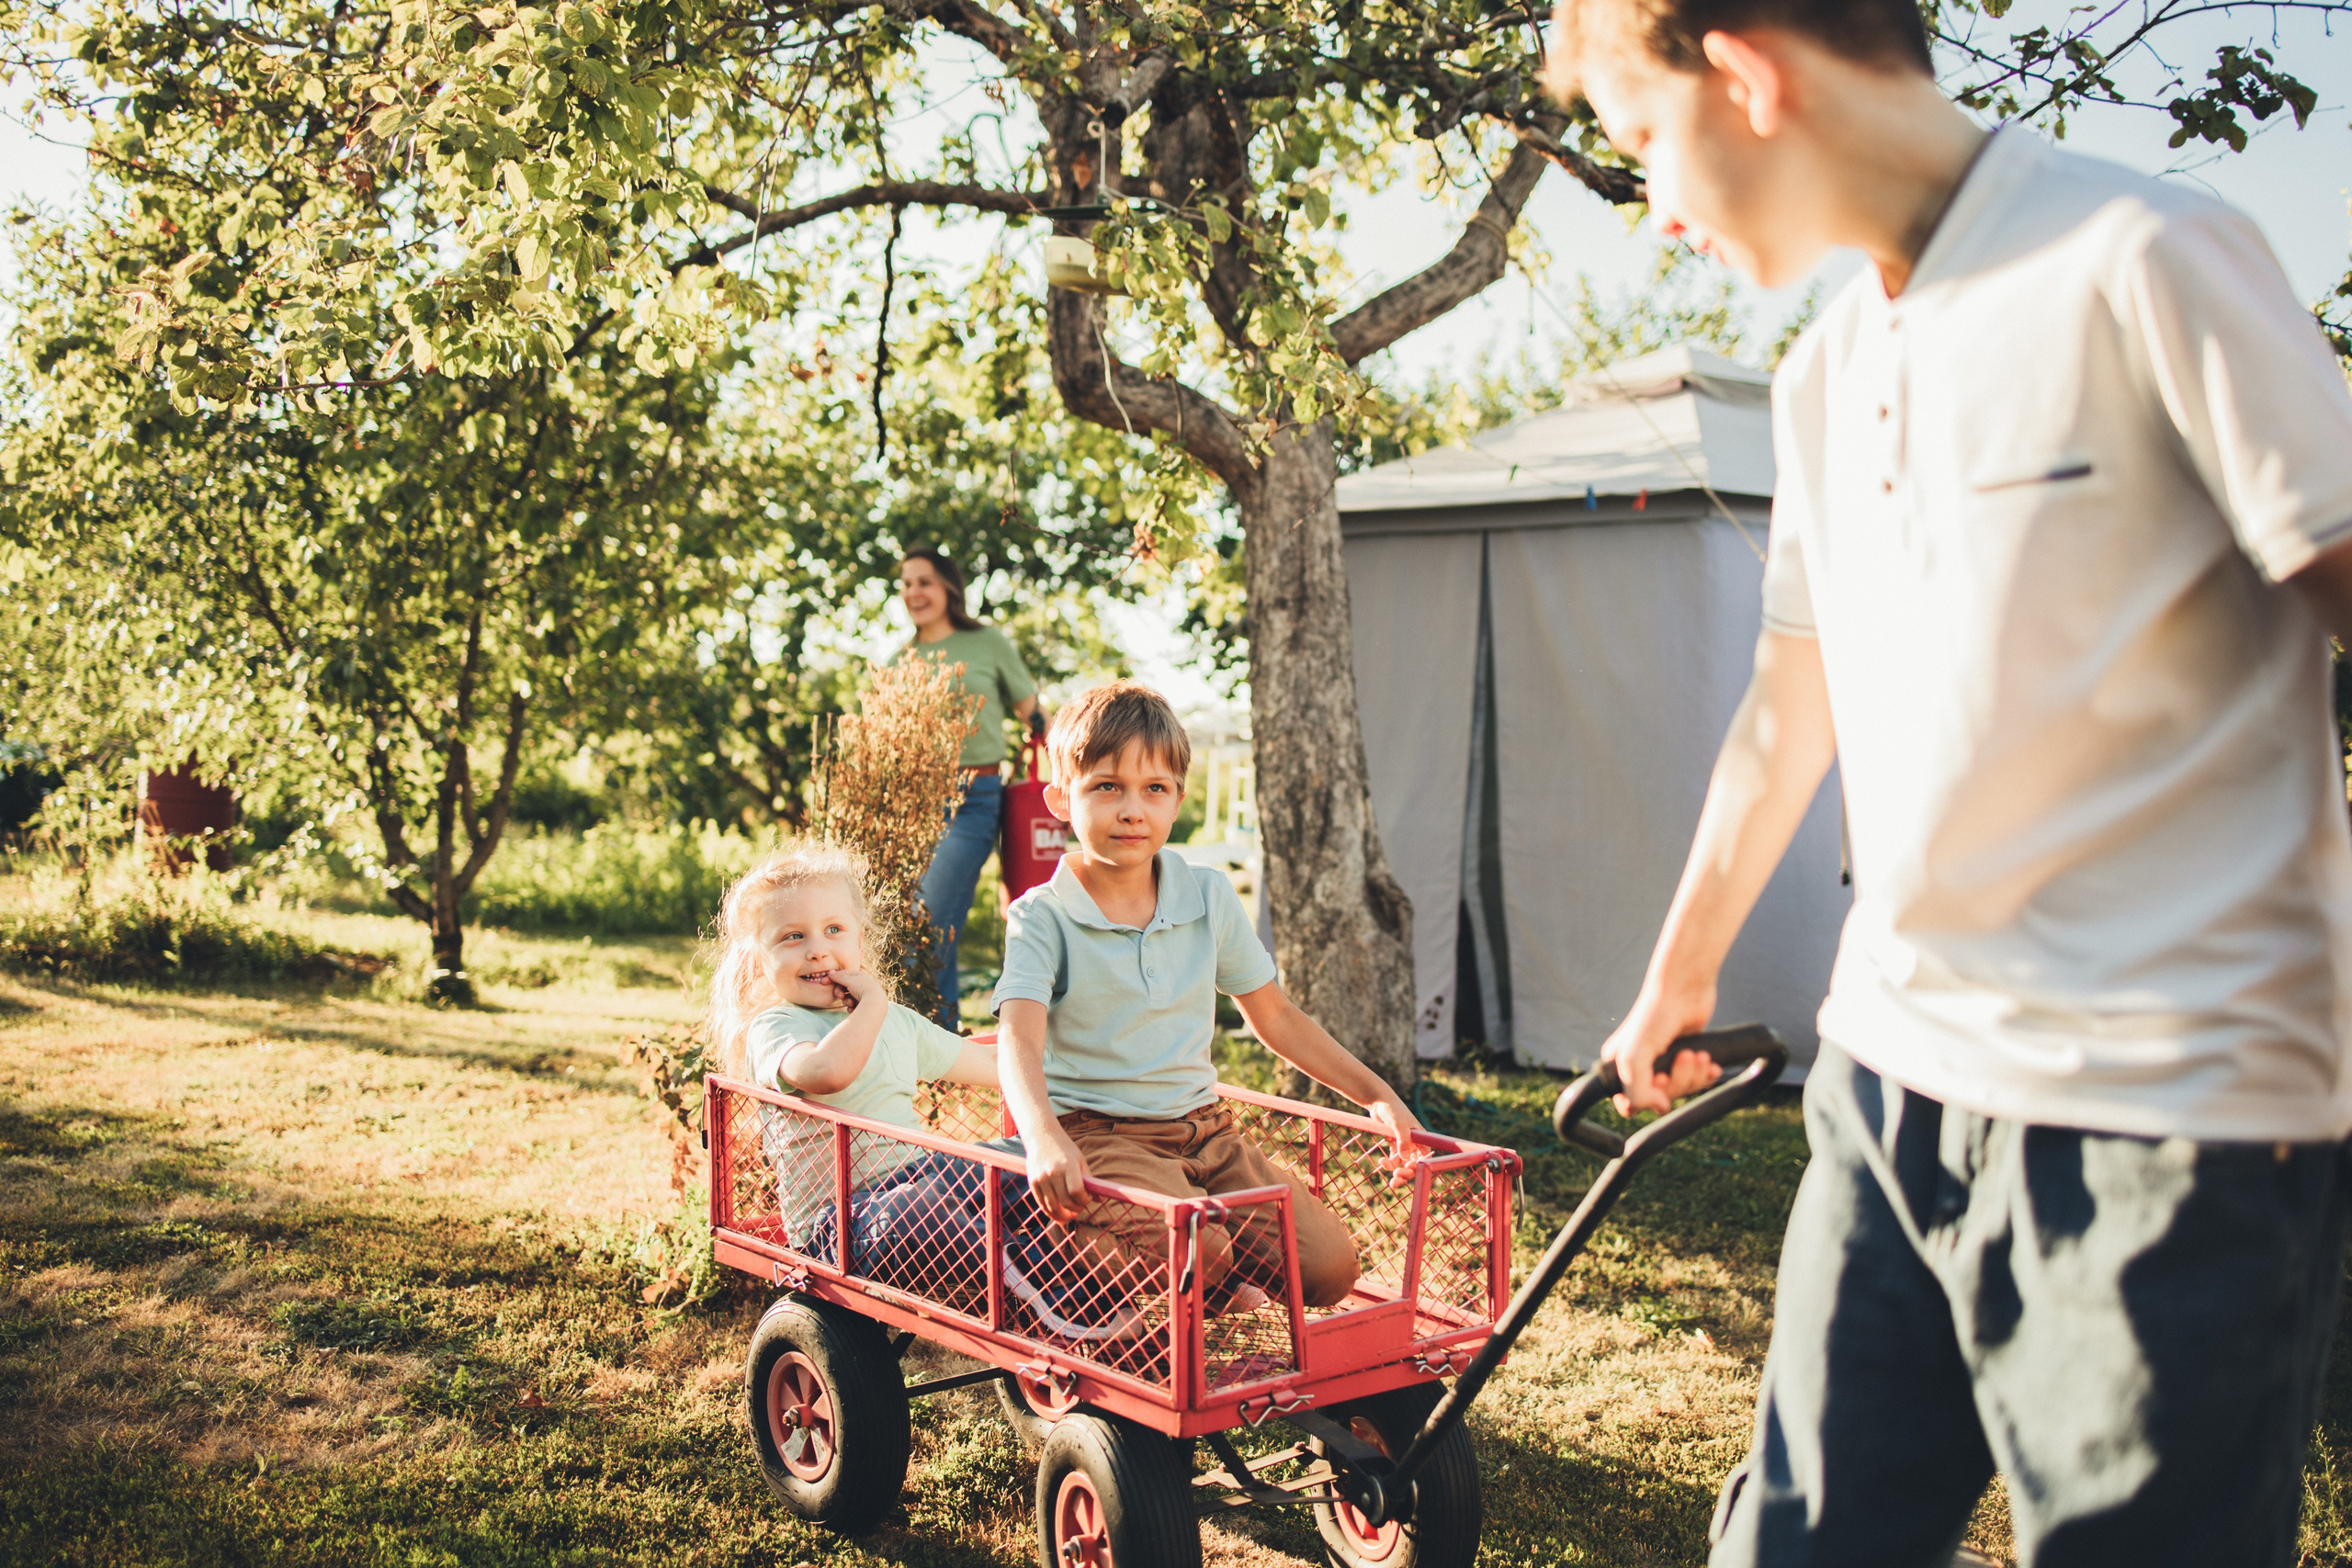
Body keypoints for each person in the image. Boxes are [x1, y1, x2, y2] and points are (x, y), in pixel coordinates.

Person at [1544, 0, 2352, 1560]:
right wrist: (1675, 976)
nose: (1654, 203)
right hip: (1892, 1079)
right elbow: (1793, 703)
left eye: (1646, 141)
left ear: (1747, 75)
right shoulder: (1823, 374)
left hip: (2163, 1118)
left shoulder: (2145, 257)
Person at [991, 682, 1422, 1316]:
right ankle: (1046, 1246)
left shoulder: (1209, 896)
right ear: (1060, 798)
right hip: (1099, 1137)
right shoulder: (1042, 916)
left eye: (1154, 788)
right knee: (1203, 1253)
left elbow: (1275, 1014)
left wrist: (1376, 1094)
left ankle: (1202, 1263)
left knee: (1329, 1270)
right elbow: (1019, 1039)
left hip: (1205, 1133)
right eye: (1106, 786)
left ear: (1177, 800)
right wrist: (1046, 1137)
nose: (1132, 808)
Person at [707, 841, 1002, 1294]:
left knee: (1014, 1169)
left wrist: (1069, 1065)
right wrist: (873, 1005)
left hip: (917, 1185)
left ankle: (1070, 1281)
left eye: (833, 929)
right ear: (759, 962)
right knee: (922, 1209)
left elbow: (988, 1064)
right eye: (792, 937)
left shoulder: (896, 1022)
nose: (817, 950)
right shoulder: (777, 1027)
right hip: (839, 1225)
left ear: (859, 941)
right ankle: (1034, 1293)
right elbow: (827, 1070)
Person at [892, 546, 1042, 1027]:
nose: (915, 592)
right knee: (924, 925)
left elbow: (1033, 715)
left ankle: (933, 1043)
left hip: (974, 798)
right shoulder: (900, 660)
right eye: (907, 583)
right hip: (914, 801)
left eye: (925, 582)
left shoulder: (988, 644)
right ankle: (938, 1040)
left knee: (930, 916)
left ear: (949, 589)